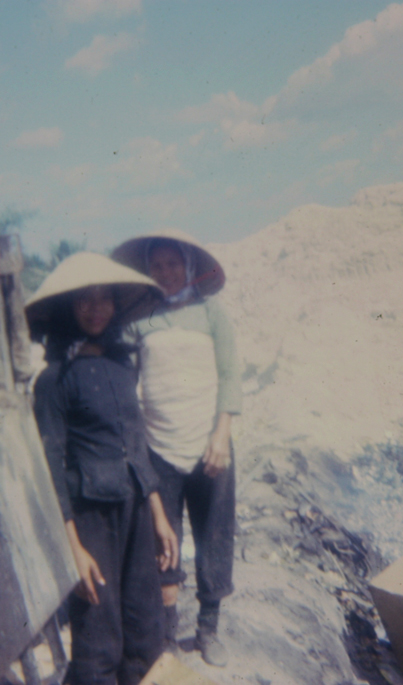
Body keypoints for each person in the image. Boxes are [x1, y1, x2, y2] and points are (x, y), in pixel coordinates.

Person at [25, 252, 179, 685]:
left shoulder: (121, 365)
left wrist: (158, 514)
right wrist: (73, 548)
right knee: (98, 635)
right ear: (67, 309)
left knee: (145, 627)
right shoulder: (54, 380)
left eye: (104, 298)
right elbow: (50, 467)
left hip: (135, 511)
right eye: (84, 300)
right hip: (91, 519)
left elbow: (136, 443)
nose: (96, 309)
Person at [112, 230, 242, 667]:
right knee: (162, 539)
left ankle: (208, 628)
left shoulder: (211, 313)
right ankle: (166, 635)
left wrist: (221, 434)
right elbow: (125, 381)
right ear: (148, 271)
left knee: (214, 534)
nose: (166, 272)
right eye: (157, 265)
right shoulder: (137, 319)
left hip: (210, 445)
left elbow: (230, 374)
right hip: (158, 445)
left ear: (188, 266)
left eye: (173, 264)